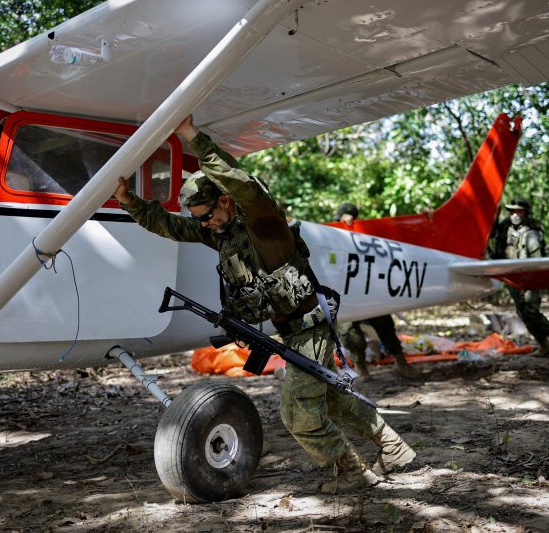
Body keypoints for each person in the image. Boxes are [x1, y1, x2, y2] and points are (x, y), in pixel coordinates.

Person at [113, 116, 416, 493]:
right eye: (200, 220)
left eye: (208, 215)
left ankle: (352, 471)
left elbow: (242, 183)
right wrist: (129, 201)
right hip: (292, 331)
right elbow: (172, 227)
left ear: (224, 201)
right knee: (330, 399)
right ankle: (394, 448)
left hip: (310, 326)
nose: (204, 224)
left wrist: (193, 137)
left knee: (298, 415)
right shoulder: (221, 233)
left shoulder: (262, 222)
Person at [333, 203, 423, 380]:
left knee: (385, 325)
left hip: (369, 291)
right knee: (350, 333)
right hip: (346, 295)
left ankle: (400, 362)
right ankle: (360, 367)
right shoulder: (332, 234)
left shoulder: (367, 236)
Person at [490, 198, 549, 355]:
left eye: (519, 211)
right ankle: (543, 344)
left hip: (529, 277)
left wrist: (534, 278)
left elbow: (537, 259)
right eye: (512, 211)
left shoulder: (531, 232)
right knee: (522, 313)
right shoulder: (505, 226)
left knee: (531, 311)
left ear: (526, 213)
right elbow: (490, 235)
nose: (515, 214)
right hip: (511, 276)